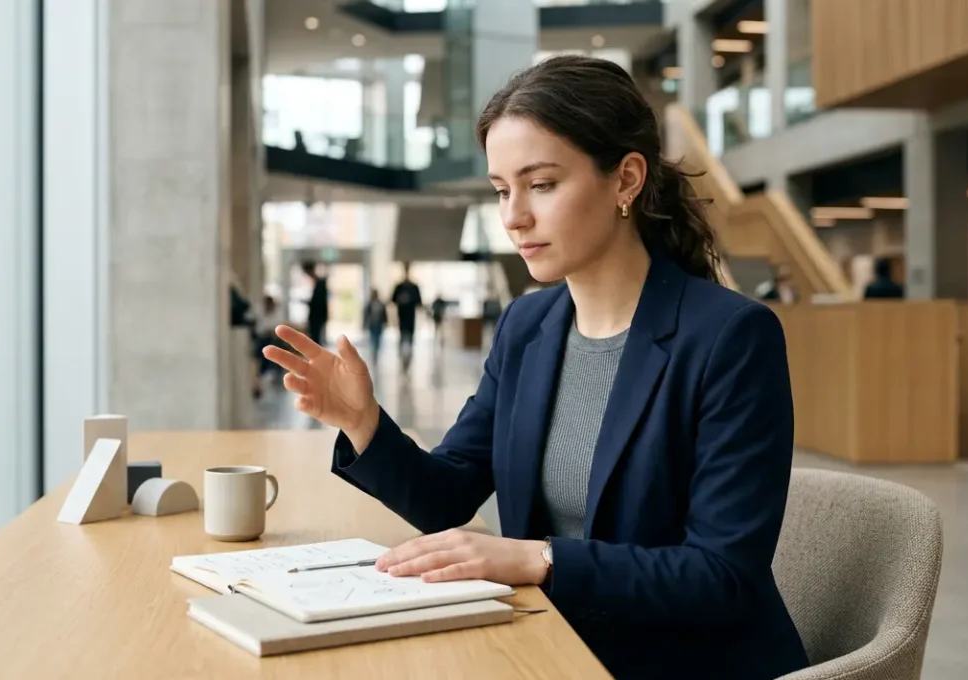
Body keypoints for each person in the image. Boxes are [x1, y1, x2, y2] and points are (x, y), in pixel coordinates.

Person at [262, 55, 807, 679]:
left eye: (541, 184)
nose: (513, 216)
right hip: (549, 651)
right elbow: (448, 496)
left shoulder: (730, 337)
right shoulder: (528, 327)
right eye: (501, 190)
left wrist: (538, 560)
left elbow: (722, 578)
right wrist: (363, 423)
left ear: (626, 179)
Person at [390, 264, 423, 371]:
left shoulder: (414, 287)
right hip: (402, 316)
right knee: (402, 336)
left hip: (411, 317)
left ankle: (409, 357)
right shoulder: (399, 287)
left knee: (410, 337)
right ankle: (402, 357)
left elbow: (419, 302)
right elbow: (392, 300)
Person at [303, 263, 329, 346]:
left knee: (316, 338)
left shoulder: (320, 283)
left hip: (317, 316)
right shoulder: (318, 283)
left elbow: (319, 302)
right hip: (317, 316)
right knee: (315, 337)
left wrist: (309, 303)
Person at [363, 289, 388, 363]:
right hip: (372, 324)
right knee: (373, 338)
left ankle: (376, 350)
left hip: (379, 324)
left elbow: (384, 314)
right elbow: (366, 315)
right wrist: (365, 323)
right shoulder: (369, 304)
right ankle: (373, 351)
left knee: (378, 338)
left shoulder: (381, 304)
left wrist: (385, 322)